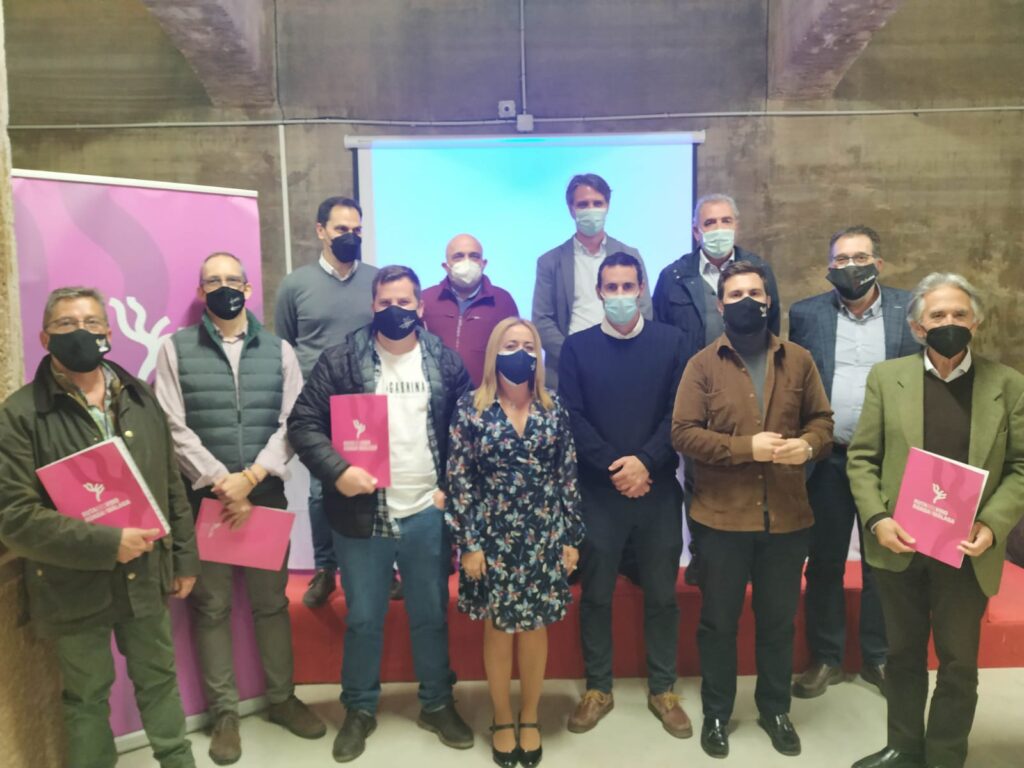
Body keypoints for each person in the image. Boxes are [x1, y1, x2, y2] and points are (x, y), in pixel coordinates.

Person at [0, 286, 200, 768]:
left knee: (159, 681)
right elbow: (14, 517)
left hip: (146, 573)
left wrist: (185, 558)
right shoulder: (20, 414)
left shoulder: (140, 396)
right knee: (86, 697)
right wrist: (108, 543)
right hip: (72, 583)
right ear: (45, 337)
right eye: (66, 324)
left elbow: (170, 484)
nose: (81, 332)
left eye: (91, 323)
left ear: (109, 333)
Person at [287, 265, 474, 763]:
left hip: (426, 511)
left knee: (430, 614)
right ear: (373, 305)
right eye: (386, 302)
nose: (396, 310)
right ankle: (359, 708)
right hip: (362, 512)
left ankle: (437, 703)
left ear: (420, 307)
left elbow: (467, 430)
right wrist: (337, 471)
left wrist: (451, 488)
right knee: (365, 618)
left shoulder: (445, 361)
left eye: (405, 302)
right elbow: (303, 424)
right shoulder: (341, 360)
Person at [847, 273, 1024, 768]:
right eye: (938, 315)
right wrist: (877, 519)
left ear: (976, 322)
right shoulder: (887, 378)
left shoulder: (1008, 384)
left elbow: (1021, 466)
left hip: (967, 551)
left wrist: (992, 524)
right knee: (901, 655)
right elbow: (862, 459)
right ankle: (904, 746)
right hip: (899, 543)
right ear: (918, 327)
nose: (950, 322)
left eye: (959, 314)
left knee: (958, 662)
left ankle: (946, 754)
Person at [154, 253, 325, 764]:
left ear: (249, 290)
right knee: (211, 608)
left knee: (271, 604)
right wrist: (220, 480)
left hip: (263, 495)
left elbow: (294, 419)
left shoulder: (279, 350)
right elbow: (170, 424)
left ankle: (282, 700)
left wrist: (249, 478)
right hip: (204, 499)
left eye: (233, 280)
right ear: (200, 291)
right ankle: (224, 714)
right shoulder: (174, 349)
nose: (224, 287)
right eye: (214, 281)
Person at [672, 261, 833, 759]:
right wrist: (747, 448)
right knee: (718, 624)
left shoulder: (799, 360)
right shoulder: (702, 364)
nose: (747, 301)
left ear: (768, 300)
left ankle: (775, 709)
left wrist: (808, 446)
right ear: (720, 305)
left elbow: (822, 422)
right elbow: (683, 434)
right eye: (736, 293)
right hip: (721, 520)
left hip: (787, 519)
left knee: (778, 623)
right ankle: (717, 713)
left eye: (755, 293)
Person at [557, 252, 690, 738]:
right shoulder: (577, 348)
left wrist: (645, 462)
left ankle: (663, 689)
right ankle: (598, 688)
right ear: (598, 292)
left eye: (627, 286)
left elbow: (679, 412)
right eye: (610, 288)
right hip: (599, 491)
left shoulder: (673, 342)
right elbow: (572, 416)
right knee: (595, 595)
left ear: (641, 289)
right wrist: (617, 467)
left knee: (662, 595)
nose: (619, 296)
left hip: (657, 490)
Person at [789, 226, 920, 699]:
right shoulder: (806, 314)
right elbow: (797, 384)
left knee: (884, 562)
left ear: (878, 264)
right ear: (829, 267)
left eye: (860, 257)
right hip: (829, 459)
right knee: (824, 561)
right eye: (841, 259)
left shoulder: (911, 309)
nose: (850, 267)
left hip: (890, 462)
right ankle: (826, 657)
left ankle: (878, 656)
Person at [446, 317, 583, 768]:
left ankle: (530, 715)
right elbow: (460, 479)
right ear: (494, 353)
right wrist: (469, 543)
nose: (519, 352)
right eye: (510, 345)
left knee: (535, 627)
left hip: (543, 533)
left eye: (527, 345)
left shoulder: (553, 407)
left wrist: (571, 537)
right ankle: (502, 717)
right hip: (491, 536)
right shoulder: (470, 408)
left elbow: (566, 475)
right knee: (500, 628)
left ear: (538, 355)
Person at [653, 193, 782, 586]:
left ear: (737, 225)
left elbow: (773, 328)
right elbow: (661, 336)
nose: (718, 229)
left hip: (747, 387)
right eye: (709, 223)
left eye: (726, 221)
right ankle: (703, 555)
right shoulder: (673, 276)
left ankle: (749, 555)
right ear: (696, 231)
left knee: (749, 469)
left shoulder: (759, 270)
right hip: (694, 390)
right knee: (697, 477)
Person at [274, 195, 379, 608]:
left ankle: (380, 567)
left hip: (367, 404)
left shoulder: (376, 281)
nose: (350, 236)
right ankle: (325, 569)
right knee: (321, 492)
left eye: (356, 230)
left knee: (373, 485)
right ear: (321, 231)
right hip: (317, 405)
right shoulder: (294, 285)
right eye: (341, 229)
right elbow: (286, 343)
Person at [532, 172, 653, 388]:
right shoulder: (550, 262)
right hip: (566, 369)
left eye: (597, 203)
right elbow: (542, 320)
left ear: (607, 206)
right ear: (571, 209)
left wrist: (620, 351)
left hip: (622, 363)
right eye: (583, 204)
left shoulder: (630, 254)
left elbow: (644, 310)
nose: (591, 209)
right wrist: (574, 355)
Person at [421, 233, 519, 387]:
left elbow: (514, 354)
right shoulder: (426, 300)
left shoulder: (503, 301)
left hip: (485, 395)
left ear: (483, 263)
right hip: (436, 393)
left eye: (474, 256)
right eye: (458, 256)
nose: (467, 262)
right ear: (446, 266)